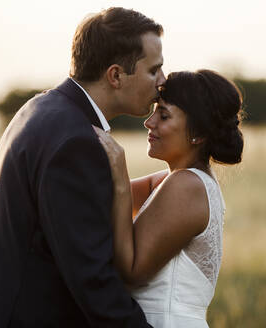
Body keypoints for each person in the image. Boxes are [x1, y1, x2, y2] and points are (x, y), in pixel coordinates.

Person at [0, 7, 165, 327]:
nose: (162, 83)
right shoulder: (76, 143)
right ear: (116, 75)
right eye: (154, 71)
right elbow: (92, 279)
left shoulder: (41, 109)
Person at [94, 69, 244, 327]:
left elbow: (132, 272)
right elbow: (97, 196)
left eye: (163, 115)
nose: (149, 122)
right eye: (154, 110)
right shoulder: (171, 181)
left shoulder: (187, 185)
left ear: (198, 134)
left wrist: (118, 169)